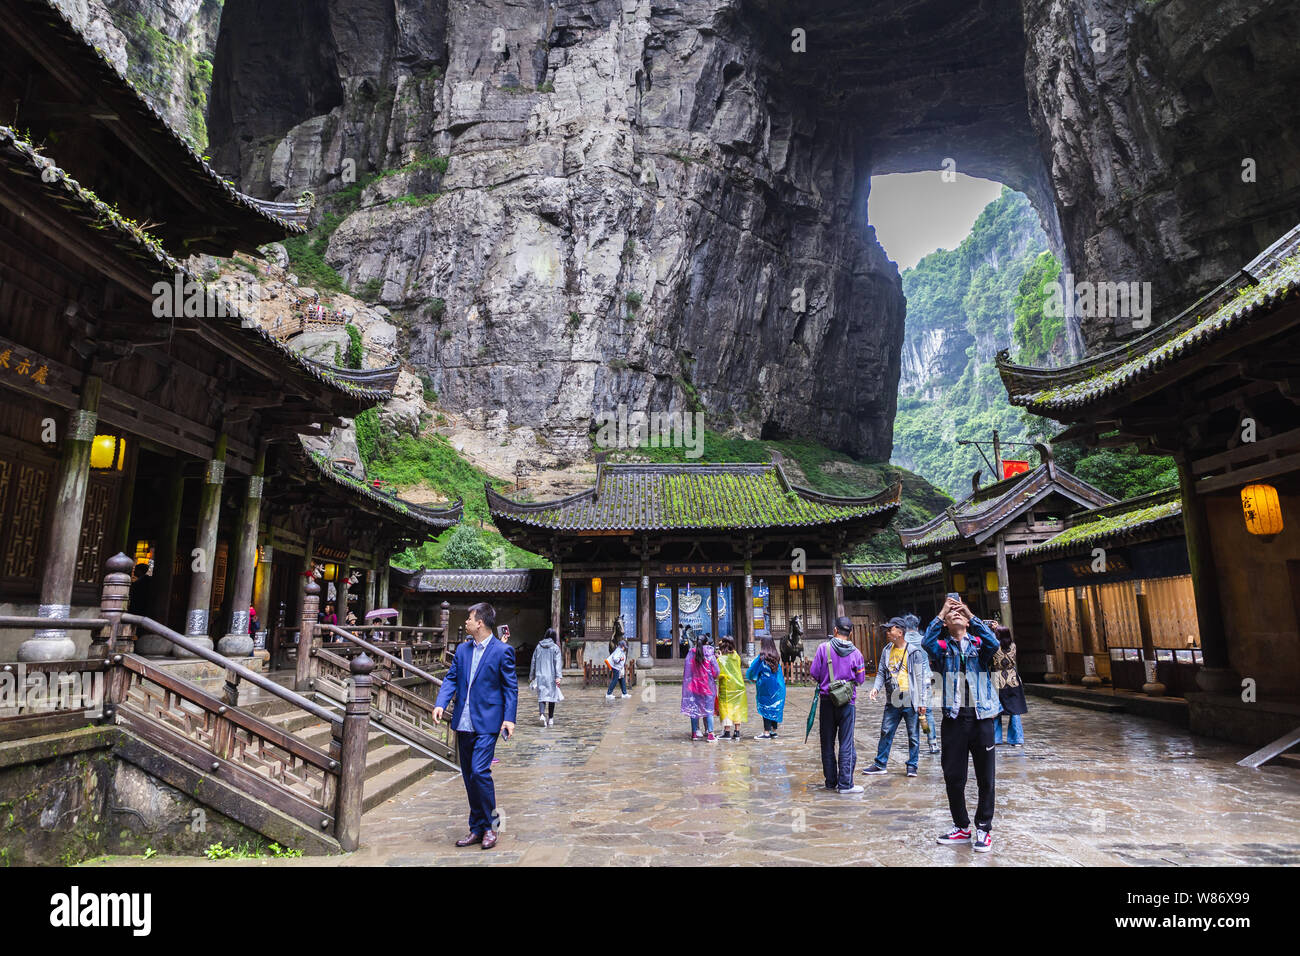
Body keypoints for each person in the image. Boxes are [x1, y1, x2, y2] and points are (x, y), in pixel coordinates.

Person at [432, 602, 518, 850]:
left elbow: (510, 687)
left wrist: (509, 718)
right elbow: (451, 678)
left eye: (469, 618)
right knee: (469, 776)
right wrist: (441, 702)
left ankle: (493, 826)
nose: (466, 622)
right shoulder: (462, 650)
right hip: (464, 721)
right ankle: (477, 828)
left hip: (488, 722)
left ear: (480, 622)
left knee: (480, 772)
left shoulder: (502, 652)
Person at [922, 596, 1001, 853]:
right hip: (954, 719)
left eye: (960, 615)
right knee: (954, 776)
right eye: (951, 615)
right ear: (945, 623)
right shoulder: (943, 648)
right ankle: (962, 826)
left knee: (985, 777)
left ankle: (984, 828)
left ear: (968, 622)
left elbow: (994, 641)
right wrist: (943, 611)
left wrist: (968, 611)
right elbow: (926, 642)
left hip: (982, 717)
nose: (955, 615)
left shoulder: (979, 645)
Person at [865, 616, 931, 778]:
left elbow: (920, 678)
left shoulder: (913, 652)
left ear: (900, 632)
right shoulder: (887, 650)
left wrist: (922, 701)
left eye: (890, 629)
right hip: (892, 698)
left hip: (910, 698)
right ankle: (880, 764)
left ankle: (912, 765)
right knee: (886, 731)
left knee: (913, 735)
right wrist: (876, 688)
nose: (887, 632)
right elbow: (881, 672)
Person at [809, 616, 868, 794]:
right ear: (850, 633)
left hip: (827, 701)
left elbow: (814, 674)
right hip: (847, 703)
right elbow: (860, 679)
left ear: (835, 630)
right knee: (846, 742)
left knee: (827, 742)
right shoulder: (857, 654)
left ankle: (830, 781)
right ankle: (845, 784)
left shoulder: (823, 649)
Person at [903, 614, 939, 754]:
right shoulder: (925, 640)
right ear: (917, 627)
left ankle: (914, 745)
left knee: (912, 714)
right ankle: (932, 742)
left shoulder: (902, 642)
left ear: (905, 628)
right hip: (925, 680)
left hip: (909, 682)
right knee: (927, 713)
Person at [991, 624, 1027, 747]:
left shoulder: (994, 646)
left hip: (997, 678)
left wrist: (991, 630)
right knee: (1015, 710)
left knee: (996, 711)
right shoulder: (1013, 646)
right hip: (1012, 679)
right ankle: (1017, 739)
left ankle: (996, 738)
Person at [746, 636, 786, 738]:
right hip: (777, 688)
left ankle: (766, 733)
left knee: (766, 708)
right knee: (774, 707)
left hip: (765, 688)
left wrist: (752, 677)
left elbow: (751, 671)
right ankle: (773, 730)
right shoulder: (776, 657)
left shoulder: (761, 658)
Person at [681, 633, 718, 741]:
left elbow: (687, 670)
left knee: (694, 709)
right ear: (706, 643)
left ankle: (695, 733)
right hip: (707, 687)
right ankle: (710, 734)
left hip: (693, 686)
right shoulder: (710, 655)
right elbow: (716, 671)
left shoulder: (691, 653)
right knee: (709, 710)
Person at [715, 637, 748, 740]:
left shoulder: (721, 659)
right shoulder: (736, 656)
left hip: (727, 687)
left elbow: (718, 672)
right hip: (738, 686)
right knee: (737, 708)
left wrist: (718, 658)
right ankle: (737, 732)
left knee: (726, 708)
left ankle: (727, 731)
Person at [530, 627, 563, 726]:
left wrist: (532, 676)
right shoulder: (555, 648)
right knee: (552, 697)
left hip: (540, 676)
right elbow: (558, 663)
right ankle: (551, 718)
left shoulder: (538, 647)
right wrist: (558, 676)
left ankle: (542, 715)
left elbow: (533, 661)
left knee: (542, 697)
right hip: (551, 676)